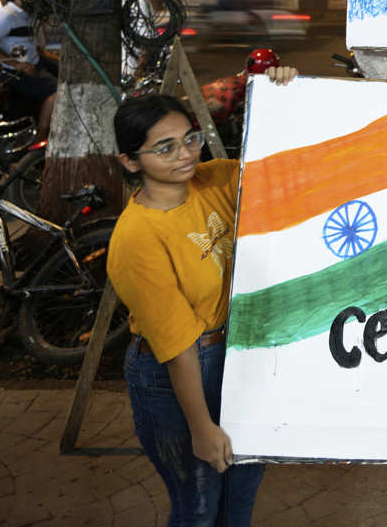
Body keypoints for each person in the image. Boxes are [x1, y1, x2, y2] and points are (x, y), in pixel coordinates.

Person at [108, 67, 297, 526]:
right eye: (164, 147)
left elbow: (281, 165)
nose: (186, 154)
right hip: (176, 376)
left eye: (189, 139)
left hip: (239, 355)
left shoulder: (213, 181)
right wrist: (201, 428)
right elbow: (177, 349)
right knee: (198, 506)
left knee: (239, 498)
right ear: (131, 161)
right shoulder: (137, 239)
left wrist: (281, 93)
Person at [0, 0, 56, 140]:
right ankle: (42, 136)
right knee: (57, 92)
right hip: (9, 73)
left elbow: (34, 47)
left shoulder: (25, 15)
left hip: (29, 67)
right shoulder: (5, 15)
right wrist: (18, 65)